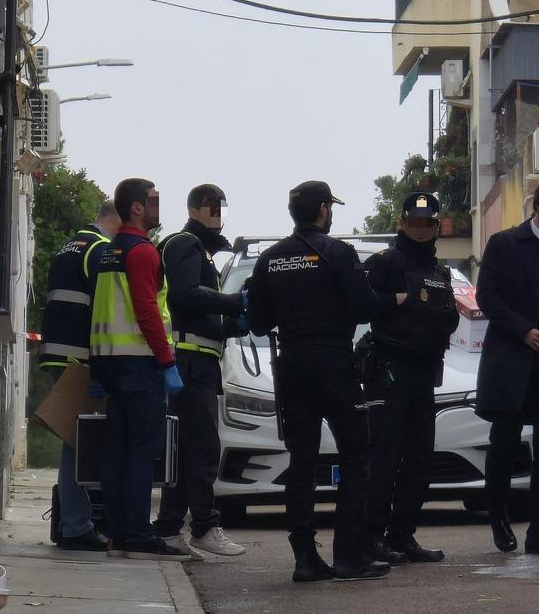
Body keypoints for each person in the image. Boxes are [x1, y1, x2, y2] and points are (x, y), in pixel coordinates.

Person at [246, 181, 402, 583]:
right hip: (334, 363)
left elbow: (259, 322)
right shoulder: (338, 253)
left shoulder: (270, 259)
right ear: (321, 210)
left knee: (301, 462)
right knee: (356, 454)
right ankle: (350, 556)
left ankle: (305, 559)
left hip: (292, 365)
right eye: (329, 207)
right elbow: (365, 308)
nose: (331, 213)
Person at [475, 176, 539, 555]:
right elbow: (487, 296)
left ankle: (538, 529)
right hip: (512, 360)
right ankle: (499, 519)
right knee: (503, 444)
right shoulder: (504, 245)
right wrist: (524, 332)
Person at [89, 179, 189, 561]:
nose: (157, 208)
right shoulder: (145, 253)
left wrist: (98, 370)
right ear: (136, 208)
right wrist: (166, 361)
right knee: (143, 451)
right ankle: (138, 532)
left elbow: (101, 308)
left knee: (116, 451)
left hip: (110, 364)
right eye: (153, 201)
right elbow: (147, 310)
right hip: (140, 364)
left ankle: (117, 528)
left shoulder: (109, 251)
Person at [362, 191, 459, 566]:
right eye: (414, 223)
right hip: (389, 370)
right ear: (401, 223)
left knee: (419, 459)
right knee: (385, 457)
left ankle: (402, 535)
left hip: (424, 372)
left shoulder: (440, 271)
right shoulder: (385, 263)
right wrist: (395, 301)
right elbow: (363, 305)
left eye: (428, 224)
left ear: (437, 226)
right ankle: (372, 538)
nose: (421, 230)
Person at [152, 184, 248, 560]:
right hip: (189, 362)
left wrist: (237, 324)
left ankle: (170, 527)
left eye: (220, 206)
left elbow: (201, 315)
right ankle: (205, 526)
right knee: (203, 446)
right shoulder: (185, 245)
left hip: (198, 360)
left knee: (187, 447)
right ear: (193, 208)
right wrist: (234, 301)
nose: (216, 212)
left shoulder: (200, 250)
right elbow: (185, 296)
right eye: (210, 206)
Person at [38, 198, 121, 552]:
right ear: (115, 217)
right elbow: (104, 307)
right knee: (81, 442)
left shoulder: (69, 245)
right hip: (80, 358)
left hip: (57, 352)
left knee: (77, 439)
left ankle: (77, 522)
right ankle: (76, 525)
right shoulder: (101, 249)